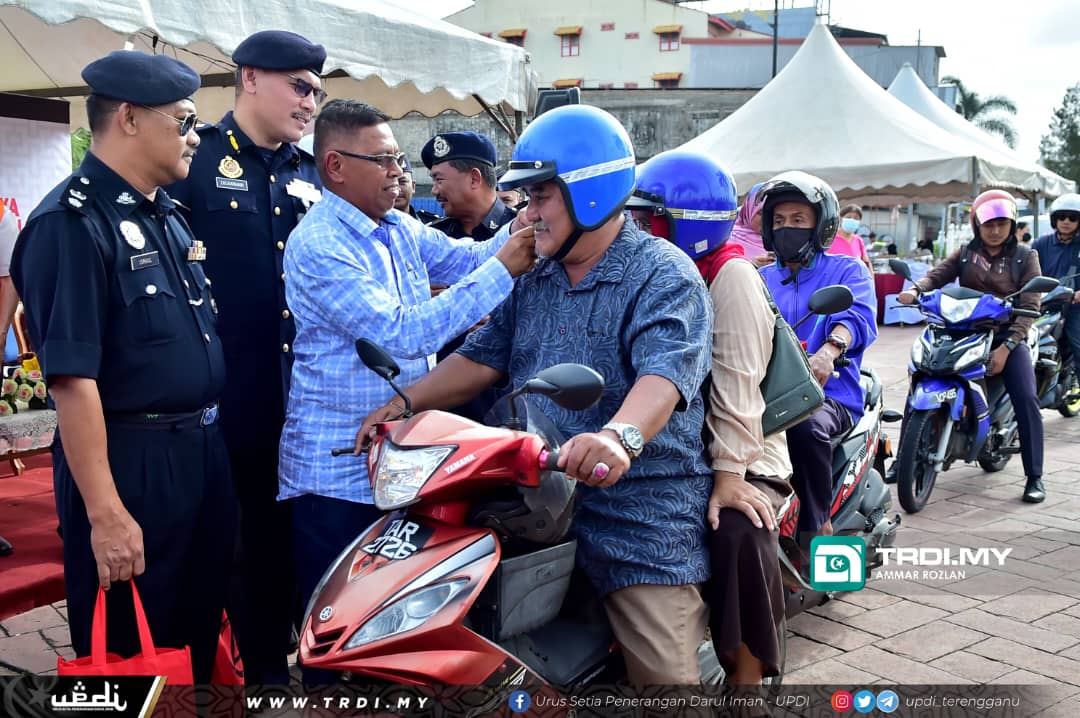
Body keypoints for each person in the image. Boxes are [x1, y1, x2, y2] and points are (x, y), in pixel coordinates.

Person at [359, 105, 715, 686]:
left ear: (591, 194)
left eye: (541, 197)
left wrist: (617, 438)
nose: (527, 214)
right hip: (529, 497)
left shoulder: (663, 274)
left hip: (635, 510)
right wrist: (405, 404)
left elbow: (665, 377)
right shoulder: (535, 273)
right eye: (524, 198)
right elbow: (482, 355)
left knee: (667, 683)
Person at [277, 99, 537, 682]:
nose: (401, 172)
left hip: (397, 458)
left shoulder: (393, 226)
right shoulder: (321, 245)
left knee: (392, 629)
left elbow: (468, 254)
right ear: (336, 166)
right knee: (338, 639)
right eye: (387, 159)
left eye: (399, 158)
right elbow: (402, 332)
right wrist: (506, 267)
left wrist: (522, 229)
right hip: (337, 472)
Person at [10, 51, 234, 682]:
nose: (195, 138)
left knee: (193, 629)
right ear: (131, 119)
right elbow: (73, 381)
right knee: (130, 651)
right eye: (184, 121)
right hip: (131, 463)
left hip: (201, 451)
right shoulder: (71, 225)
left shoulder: (165, 211)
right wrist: (106, 514)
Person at [165, 29, 326, 684]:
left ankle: (266, 681)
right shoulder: (193, 161)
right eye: (299, 85)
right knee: (207, 569)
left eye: (318, 89)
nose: (311, 102)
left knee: (275, 566)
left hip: (297, 412)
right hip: (220, 408)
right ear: (251, 78)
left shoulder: (312, 172)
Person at [628, 149, 790, 685]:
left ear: (685, 223)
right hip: (675, 444)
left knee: (739, 531)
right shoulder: (657, 271)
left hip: (743, 447)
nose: (635, 225)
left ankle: (747, 685)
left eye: (647, 216)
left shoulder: (730, 277)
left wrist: (729, 476)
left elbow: (737, 389)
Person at [898, 189, 1044, 503]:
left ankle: (1034, 476)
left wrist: (1008, 347)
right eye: (988, 224)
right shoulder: (965, 253)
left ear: (1011, 224)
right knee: (920, 376)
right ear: (977, 224)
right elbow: (937, 275)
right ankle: (903, 459)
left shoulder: (1024, 256)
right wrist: (915, 289)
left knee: (1026, 396)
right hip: (960, 332)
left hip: (1006, 336)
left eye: (1001, 223)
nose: (994, 230)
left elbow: (1031, 303)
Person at [758, 172, 877, 541]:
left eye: (797, 221)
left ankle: (816, 525)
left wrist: (830, 349)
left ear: (820, 227)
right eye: (778, 221)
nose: (786, 229)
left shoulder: (846, 270)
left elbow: (855, 316)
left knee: (804, 427)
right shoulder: (758, 277)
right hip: (763, 391)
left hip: (830, 394)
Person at [422, 131, 517, 241]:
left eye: (439, 180)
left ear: (474, 179)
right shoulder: (432, 237)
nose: (434, 191)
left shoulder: (524, 231)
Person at [1033, 194, 1080, 388]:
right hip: (1044, 304)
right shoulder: (1040, 244)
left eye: (1072, 217)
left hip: (1075, 307)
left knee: (1078, 345)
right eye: (1062, 217)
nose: (1066, 222)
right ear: (1054, 219)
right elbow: (1028, 272)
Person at [729, 182, 771, 266]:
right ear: (749, 211)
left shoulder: (781, 240)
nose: (767, 218)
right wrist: (751, 265)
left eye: (772, 213)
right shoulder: (729, 238)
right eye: (761, 212)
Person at [831, 204, 873, 275]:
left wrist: (872, 281)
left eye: (856, 218)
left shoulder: (858, 240)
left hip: (854, 281)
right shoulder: (830, 238)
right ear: (841, 218)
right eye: (849, 217)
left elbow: (867, 263)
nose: (852, 220)